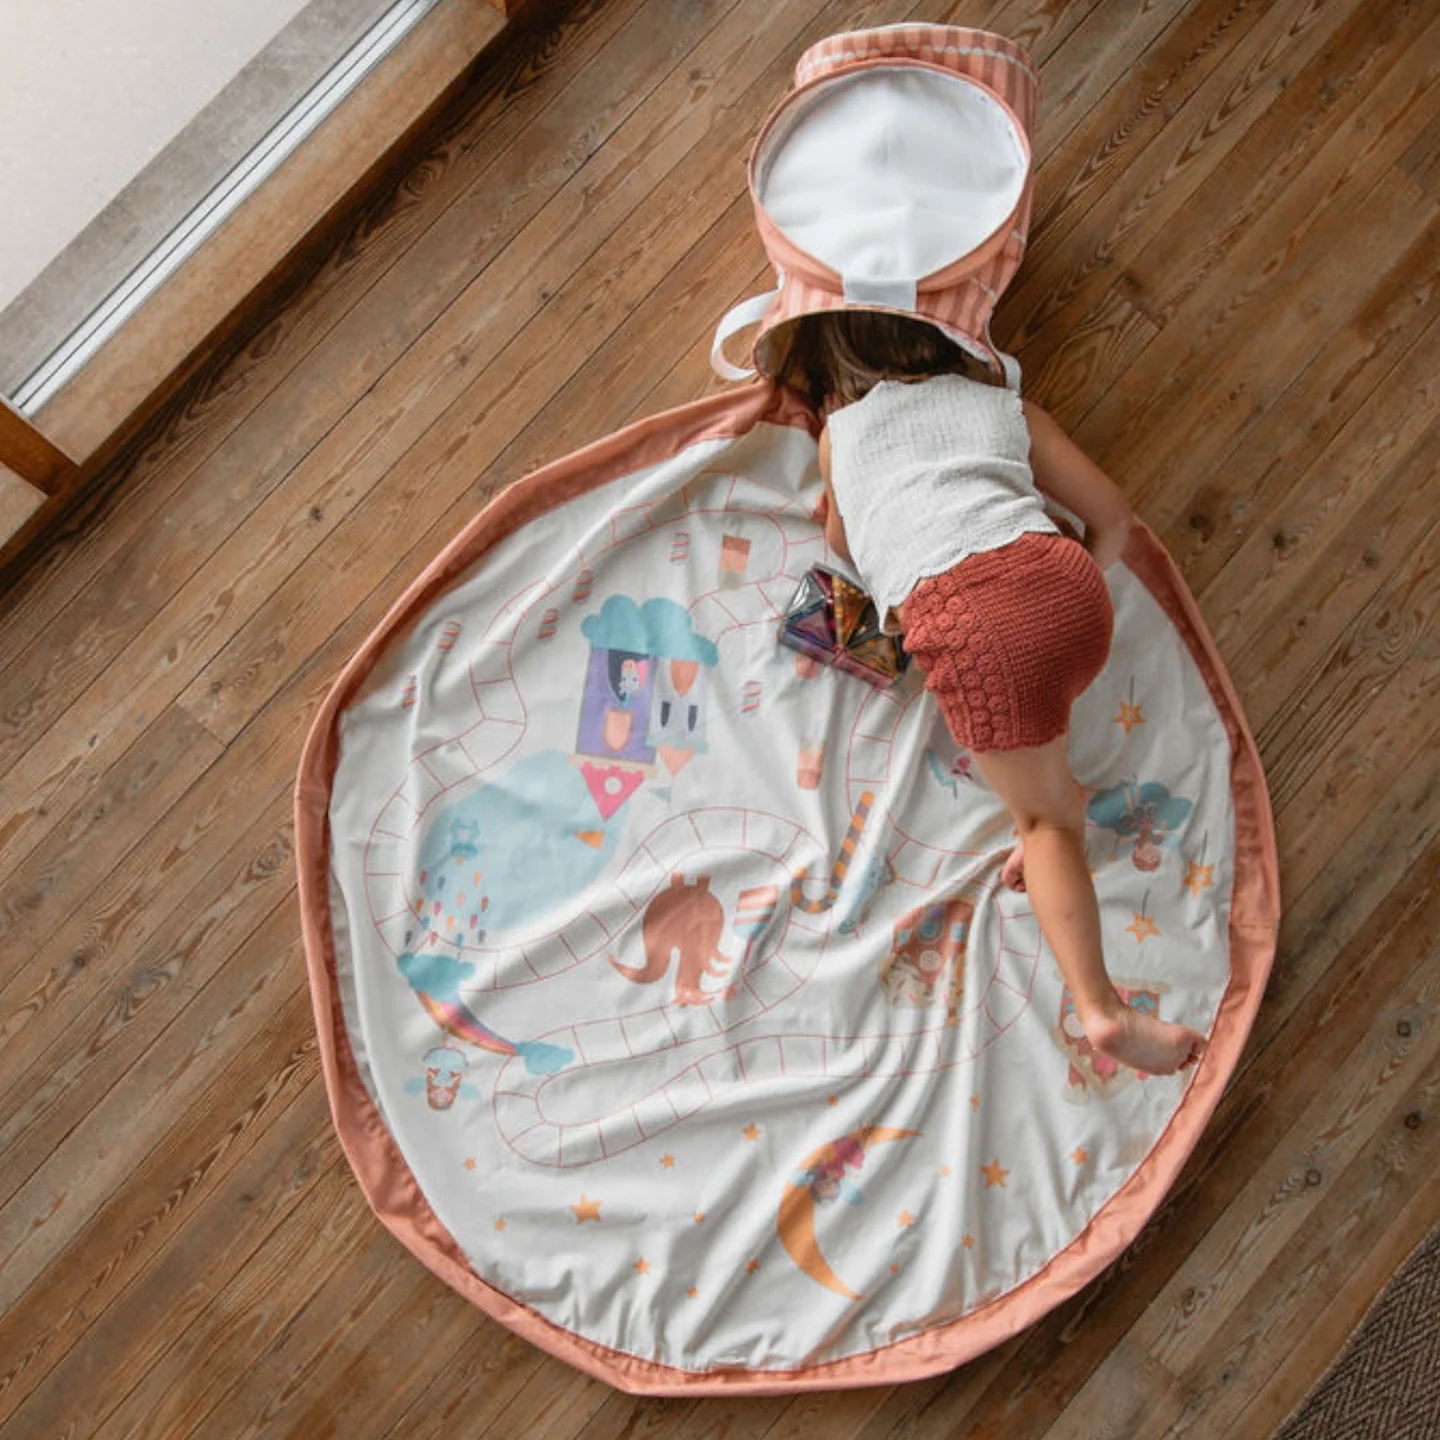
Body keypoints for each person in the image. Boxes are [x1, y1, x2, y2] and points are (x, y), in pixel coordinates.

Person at [773, 309, 1206, 1077]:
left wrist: (848, 507)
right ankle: (1046, 804)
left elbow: (842, 545)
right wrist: (1074, 577)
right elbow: (1112, 517)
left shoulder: (840, 437)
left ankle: (1102, 1011)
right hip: (1070, 595)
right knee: (1044, 757)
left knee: (1047, 823)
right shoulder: (1003, 405)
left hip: (976, 630)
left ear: (830, 373)